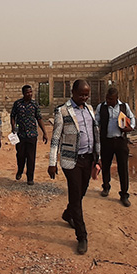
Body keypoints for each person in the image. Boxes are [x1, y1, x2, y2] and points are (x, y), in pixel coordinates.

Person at [48, 80, 100, 255]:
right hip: (72, 161)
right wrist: (52, 162)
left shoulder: (90, 110)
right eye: (81, 94)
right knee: (76, 196)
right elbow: (56, 138)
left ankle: (68, 213)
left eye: (86, 95)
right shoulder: (63, 111)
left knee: (81, 192)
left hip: (88, 158)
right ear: (73, 92)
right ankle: (82, 236)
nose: (84, 98)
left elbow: (94, 134)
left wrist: (97, 158)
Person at [95, 87, 136, 207]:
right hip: (106, 141)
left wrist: (131, 127)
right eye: (107, 98)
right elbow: (96, 121)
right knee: (106, 165)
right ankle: (106, 187)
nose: (108, 101)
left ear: (116, 98)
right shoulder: (101, 107)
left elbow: (132, 117)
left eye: (111, 99)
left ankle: (124, 194)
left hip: (120, 141)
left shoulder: (124, 106)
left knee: (123, 168)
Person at [10, 84, 48, 185]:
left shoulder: (35, 104)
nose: (29, 94)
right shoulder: (17, 104)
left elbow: (39, 118)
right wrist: (13, 127)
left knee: (31, 157)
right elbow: (12, 116)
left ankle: (30, 177)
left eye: (31, 92)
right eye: (27, 92)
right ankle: (20, 170)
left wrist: (44, 133)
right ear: (23, 93)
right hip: (20, 135)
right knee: (20, 155)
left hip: (32, 135)